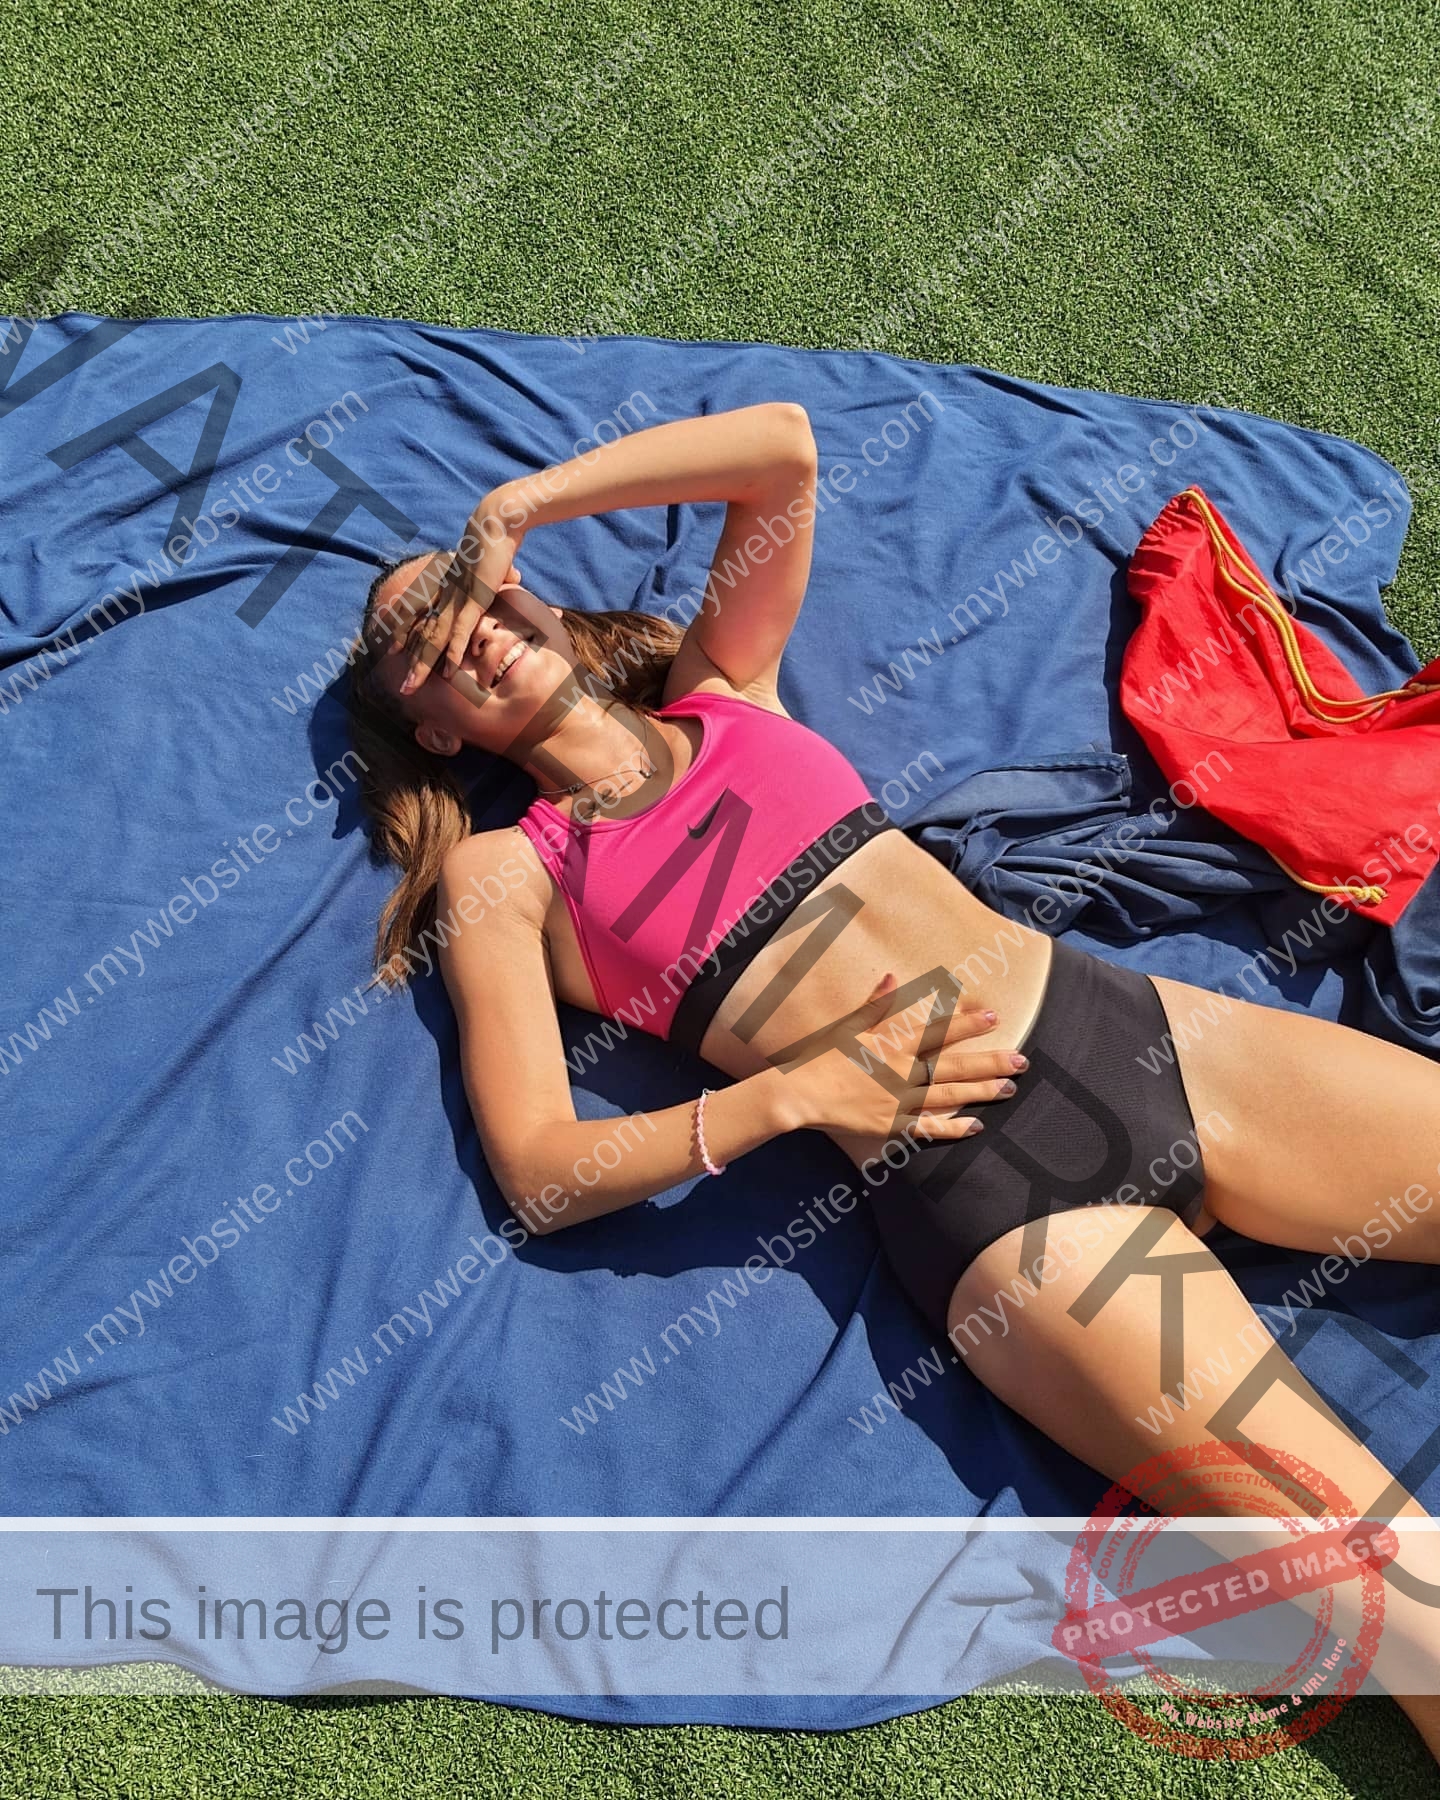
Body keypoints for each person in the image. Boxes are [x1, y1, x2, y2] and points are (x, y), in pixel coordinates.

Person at [346, 401, 1440, 1744]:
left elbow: (784, 453)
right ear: (432, 729)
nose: (458, 627)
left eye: (466, 595)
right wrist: (791, 1099)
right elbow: (537, 1168)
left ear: (536, 602)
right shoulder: (508, 873)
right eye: (414, 640)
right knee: (1395, 1580)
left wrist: (517, 506)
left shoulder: (724, 691)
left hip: (1137, 1035)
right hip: (997, 1201)